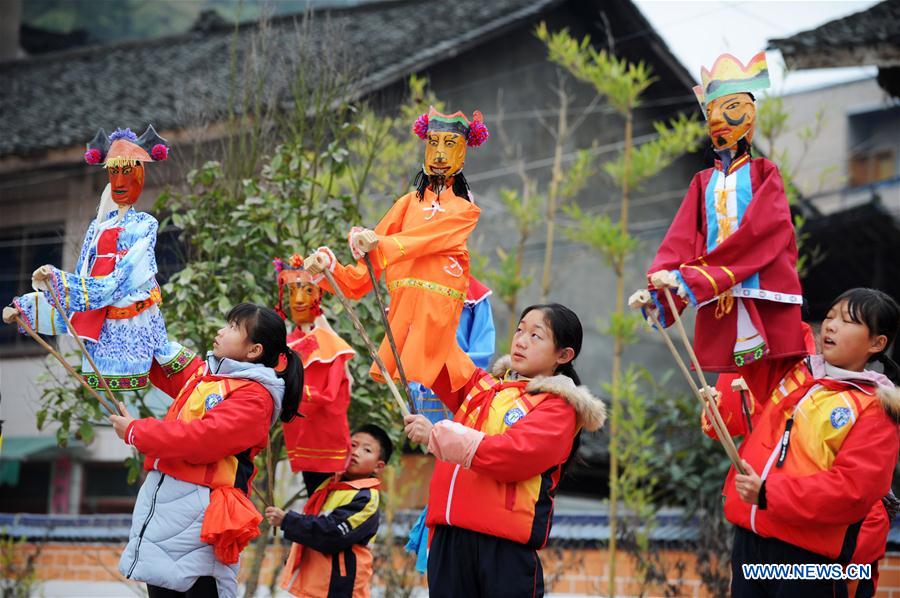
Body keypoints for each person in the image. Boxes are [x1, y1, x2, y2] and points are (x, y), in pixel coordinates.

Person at [704, 288, 900, 596]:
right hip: (751, 540)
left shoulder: (874, 407)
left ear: (877, 343)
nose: (831, 326)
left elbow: (853, 490)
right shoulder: (794, 374)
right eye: (829, 317)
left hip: (810, 558)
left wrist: (769, 493)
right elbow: (757, 343)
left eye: (848, 321)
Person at [403, 303, 606, 597]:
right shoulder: (484, 387)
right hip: (449, 537)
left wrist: (437, 434)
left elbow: (513, 455)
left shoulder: (558, 406)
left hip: (502, 547)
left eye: (536, 336)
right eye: (520, 330)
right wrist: (409, 318)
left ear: (563, 355)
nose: (521, 340)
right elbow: (439, 360)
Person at [108, 303, 303, 598]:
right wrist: (127, 312)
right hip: (168, 515)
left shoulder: (256, 397)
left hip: (204, 519)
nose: (221, 331)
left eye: (234, 328)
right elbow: (158, 355)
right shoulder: (203, 374)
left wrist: (137, 432)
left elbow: (201, 440)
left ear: (254, 351)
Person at [632, 52, 805, 372]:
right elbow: (682, 238)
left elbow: (766, 231)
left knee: (775, 378)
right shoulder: (703, 182)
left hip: (762, 291)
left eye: (731, 108)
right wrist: (663, 289)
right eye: (711, 111)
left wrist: (699, 276)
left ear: (750, 116)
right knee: (733, 385)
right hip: (715, 296)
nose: (716, 119)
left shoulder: (765, 173)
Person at [305, 107, 489, 393]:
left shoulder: (464, 211)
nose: (439, 153)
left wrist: (380, 243)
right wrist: (329, 268)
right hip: (404, 321)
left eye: (449, 145)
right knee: (420, 417)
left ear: (462, 153)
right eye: (433, 143)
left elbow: (430, 238)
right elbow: (365, 271)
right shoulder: (406, 204)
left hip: (435, 319)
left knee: (453, 396)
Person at [2, 125, 194, 391]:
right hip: (97, 307)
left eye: (126, 171)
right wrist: (37, 301)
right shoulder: (98, 225)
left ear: (139, 175)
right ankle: (28, 310)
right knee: (110, 398)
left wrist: (64, 284)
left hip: (130, 312)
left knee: (164, 366)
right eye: (114, 171)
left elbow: (124, 276)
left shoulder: (145, 224)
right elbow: (83, 272)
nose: (119, 180)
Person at [266, 424, 393, 598]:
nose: (356, 452)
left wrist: (287, 520)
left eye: (367, 450)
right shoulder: (330, 483)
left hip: (340, 590)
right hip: (314, 586)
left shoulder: (367, 498)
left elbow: (332, 534)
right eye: (353, 445)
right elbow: (311, 449)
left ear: (378, 467)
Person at [273, 255, 356, 495]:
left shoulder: (331, 345)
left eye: (307, 292)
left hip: (326, 438)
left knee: (325, 499)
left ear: (318, 297)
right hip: (300, 434)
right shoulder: (285, 344)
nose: (298, 300)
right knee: (314, 499)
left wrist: (296, 392)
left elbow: (330, 395)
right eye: (292, 293)